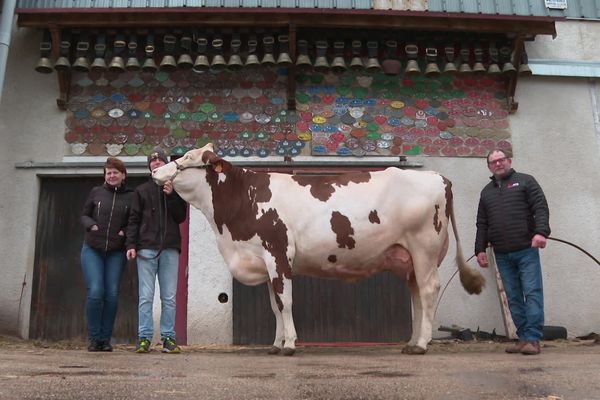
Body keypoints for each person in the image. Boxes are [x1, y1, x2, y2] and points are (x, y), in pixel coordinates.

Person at [475, 149, 551, 356]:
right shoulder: (486, 192)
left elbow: (540, 207)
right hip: (501, 253)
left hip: (526, 249)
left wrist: (541, 232)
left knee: (532, 293)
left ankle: (533, 340)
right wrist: (479, 249)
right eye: (493, 162)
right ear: (489, 167)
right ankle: (523, 338)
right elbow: (482, 223)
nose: (498, 164)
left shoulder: (526, 181)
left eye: (501, 160)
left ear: (509, 161)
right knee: (513, 297)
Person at [126, 147, 187, 354]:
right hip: (146, 249)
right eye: (152, 162)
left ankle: (169, 338)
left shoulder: (176, 188)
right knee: (146, 296)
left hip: (170, 248)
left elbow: (181, 217)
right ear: (149, 166)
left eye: (159, 161)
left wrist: (170, 196)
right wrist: (131, 245)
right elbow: (133, 220)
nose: (156, 164)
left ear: (166, 164)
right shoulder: (141, 190)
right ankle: (144, 338)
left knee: (169, 297)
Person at [80, 157, 133, 352]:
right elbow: (84, 214)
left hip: (116, 252)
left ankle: (105, 339)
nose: (111, 176)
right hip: (92, 249)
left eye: (115, 172)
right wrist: (91, 225)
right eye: (108, 173)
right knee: (95, 291)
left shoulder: (131, 196)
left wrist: (125, 232)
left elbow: (134, 221)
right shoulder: (96, 192)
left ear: (123, 175)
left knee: (111, 294)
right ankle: (94, 339)